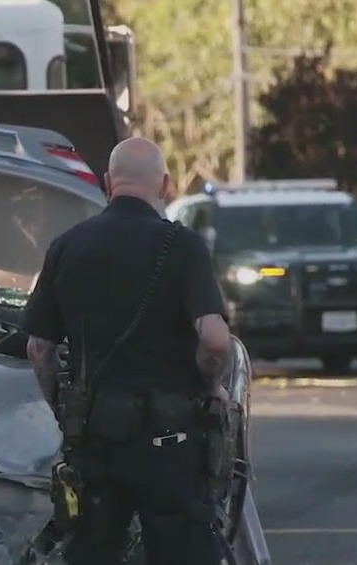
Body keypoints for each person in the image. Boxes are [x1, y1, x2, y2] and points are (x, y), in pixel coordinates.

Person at [22, 136, 234, 564]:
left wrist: (61, 407)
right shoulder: (184, 247)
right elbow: (214, 338)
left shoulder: (66, 246)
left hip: (95, 438)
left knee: (92, 550)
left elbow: (39, 349)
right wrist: (213, 386)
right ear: (166, 185)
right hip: (170, 439)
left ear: (107, 183)